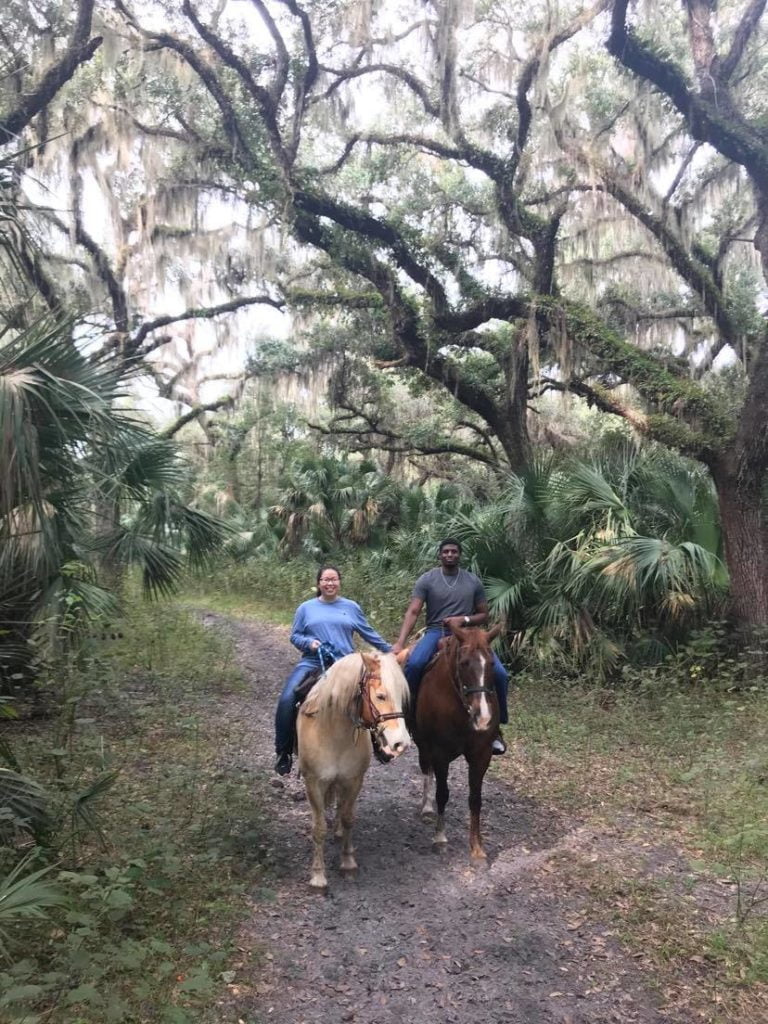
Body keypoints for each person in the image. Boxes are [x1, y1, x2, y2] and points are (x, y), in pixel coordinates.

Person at [392, 538, 509, 754]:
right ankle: (407, 718)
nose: (449, 555)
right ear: (440, 555)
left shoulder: (472, 581)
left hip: (468, 635)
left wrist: (463, 620)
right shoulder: (427, 580)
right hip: (436, 629)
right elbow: (414, 611)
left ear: (459, 555)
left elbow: (484, 614)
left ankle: (496, 728)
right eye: (445, 551)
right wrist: (400, 642)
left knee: (500, 674)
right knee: (415, 664)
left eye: (454, 552)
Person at [274, 565, 393, 775]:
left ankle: (380, 744)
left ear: (339, 582)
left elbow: (368, 632)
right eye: (326, 580)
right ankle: (284, 752)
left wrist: (390, 651)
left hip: (346, 662)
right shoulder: (306, 608)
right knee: (286, 699)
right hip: (313, 662)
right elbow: (295, 636)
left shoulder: (351, 607)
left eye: (334, 579)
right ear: (319, 583)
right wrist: (309, 643)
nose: (330, 583)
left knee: (372, 696)